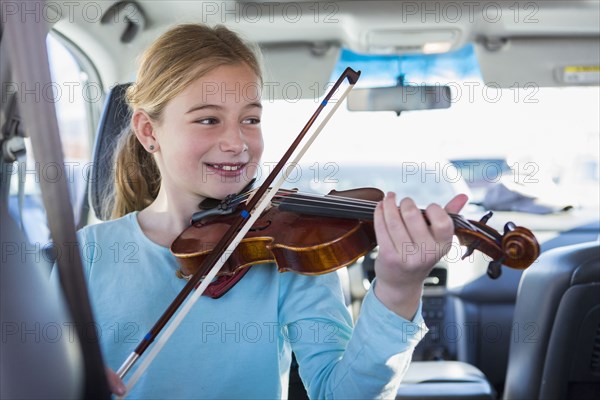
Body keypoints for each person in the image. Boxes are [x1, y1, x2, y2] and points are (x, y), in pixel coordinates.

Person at [78, 23, 467, 398]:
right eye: (209, 119)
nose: (236, 141)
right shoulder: (87, 254)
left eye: (250, 119)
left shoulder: (289, 255)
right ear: (149, 131)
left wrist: (399, 290)